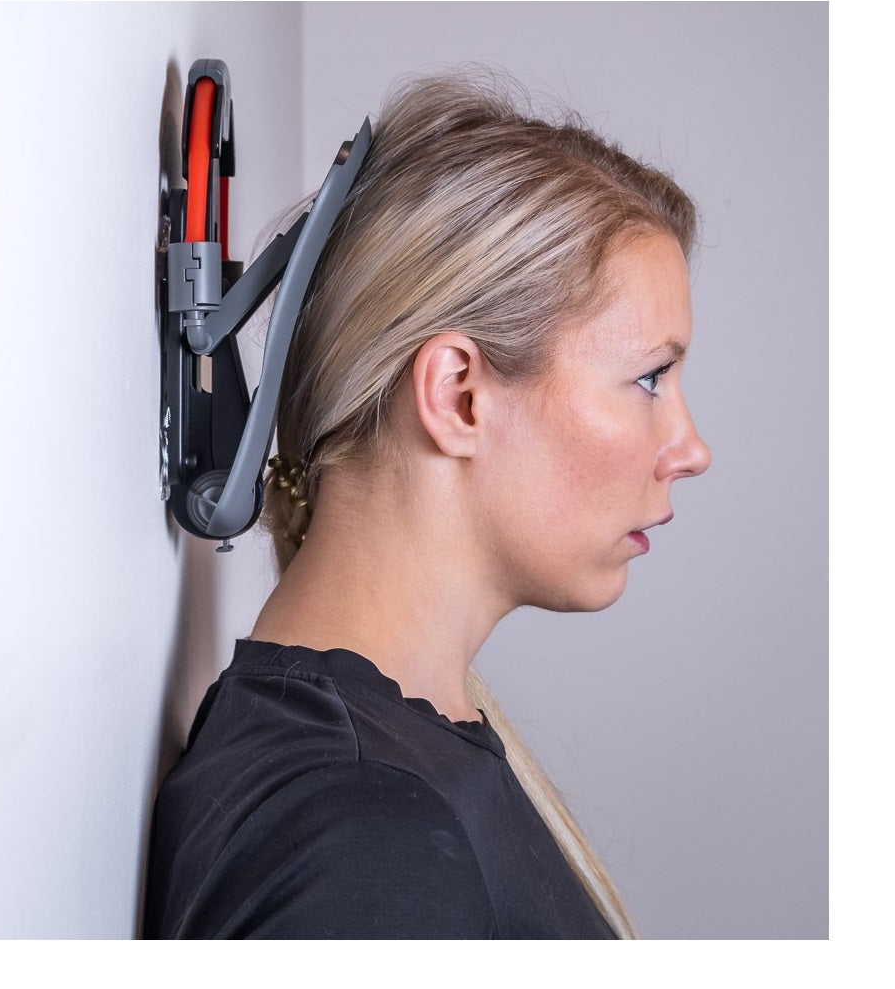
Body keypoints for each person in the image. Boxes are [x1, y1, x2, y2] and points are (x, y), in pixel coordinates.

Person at [142, 71, 711, 939]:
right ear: (457, 395)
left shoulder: (396, 767)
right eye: (648, 378)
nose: (691, 450)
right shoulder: (367, 835)